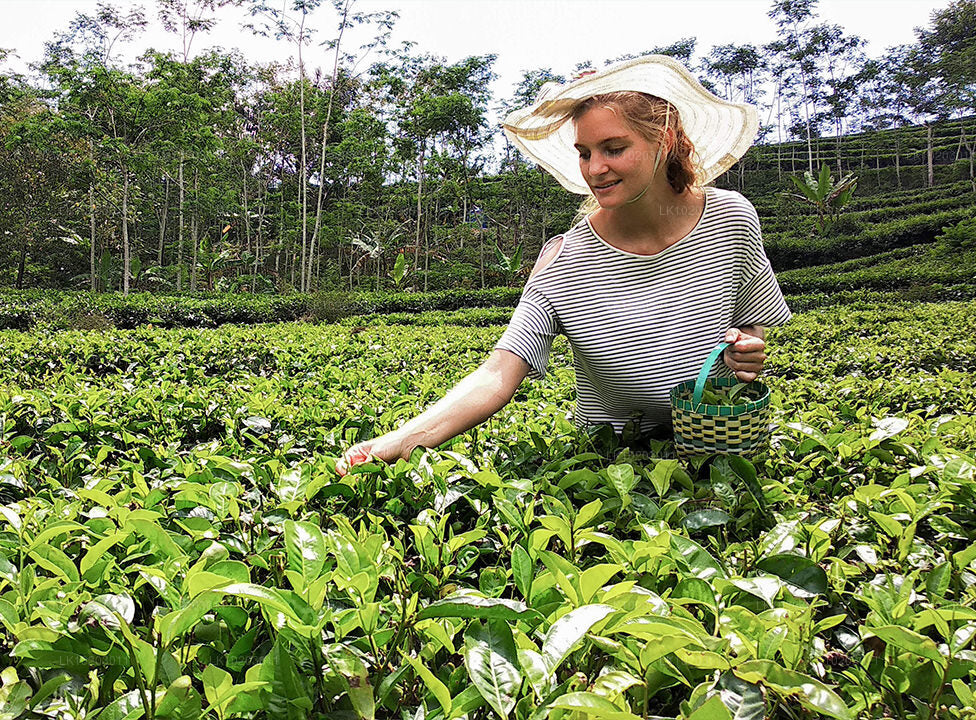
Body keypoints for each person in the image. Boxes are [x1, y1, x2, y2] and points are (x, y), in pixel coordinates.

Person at [336, 55, 792, 475]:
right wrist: (401, 440)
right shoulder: (564, 260)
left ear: (665, 141)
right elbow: (499, 372)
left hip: (719, 448)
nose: (595, 168)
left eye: (613, 148)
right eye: (584, 152)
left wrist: (747, 351)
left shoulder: (730, 217)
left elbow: (751, 327)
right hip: (612, 460)